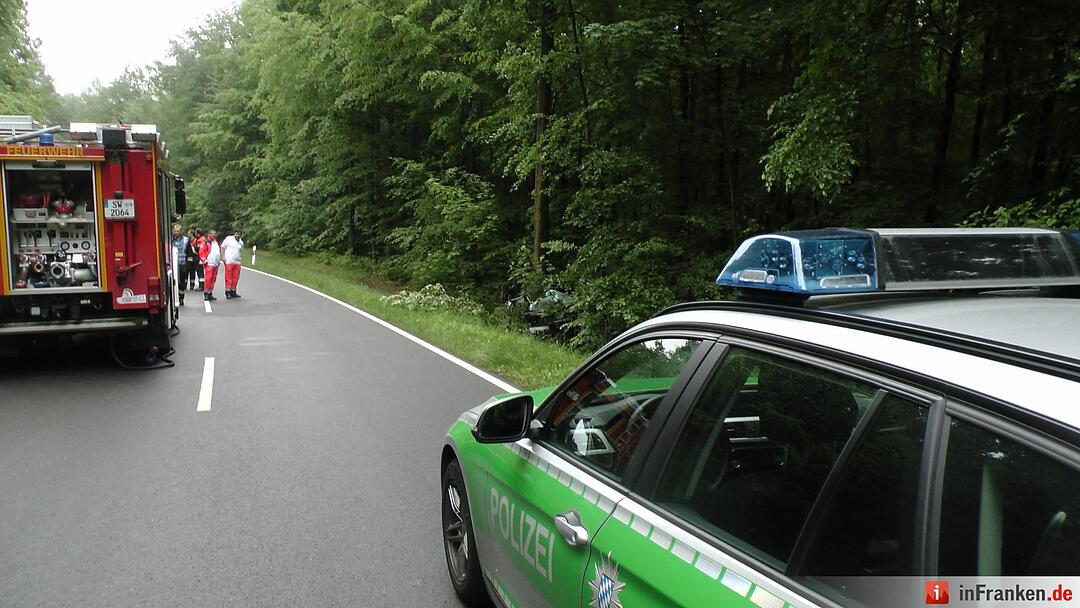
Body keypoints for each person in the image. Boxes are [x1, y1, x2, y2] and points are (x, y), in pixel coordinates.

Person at [220, 229, 244, 299]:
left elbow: (240, 251)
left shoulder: (241, 242)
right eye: (236, 233)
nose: (237, 235)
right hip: (229, 261)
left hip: (237, 262)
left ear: (240, 235)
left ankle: (233, 291)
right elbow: (222, 247)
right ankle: (228, 291)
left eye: (239, 234)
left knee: (235, 277)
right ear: (234, 234)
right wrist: (223, 257)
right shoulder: (229, 239)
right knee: (229, 277)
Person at [199, 230, 221, 301]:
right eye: (212, 234)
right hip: (209, 263)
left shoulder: (216, 242)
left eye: (214, 234)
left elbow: (217, 252)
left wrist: (218, 261)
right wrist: (204, 260)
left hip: (215, 264)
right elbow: (201, 252)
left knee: (213, 279)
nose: (213, 235)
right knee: (208, 279)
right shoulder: (205, 242)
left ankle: (210, 292)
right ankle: (206, 293)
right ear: (209, 234)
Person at [170, 224, 189, 306]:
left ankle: (181, 298)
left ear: (181, 231)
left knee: (182, 282)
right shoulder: (169, 240)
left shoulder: (186, 240)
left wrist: (187, 265)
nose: (176, 232)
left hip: (182, 265)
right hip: (172, 265)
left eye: (178, 231)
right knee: (173, 282)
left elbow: (189, 253)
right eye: (175, 231)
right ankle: (173, 297)